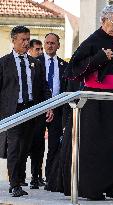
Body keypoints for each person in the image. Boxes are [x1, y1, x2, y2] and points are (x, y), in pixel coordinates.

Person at [59, 5, 113, 200]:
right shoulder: (93, 41)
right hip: (96, 101)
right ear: (103, 21)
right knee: (96, 146)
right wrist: (99, 58)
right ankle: (93, 188)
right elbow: (73, 70)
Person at [0, 26, 53, 197]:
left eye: (27, 39)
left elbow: (44, 88)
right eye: (22, 39)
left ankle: (20, 179)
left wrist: (48, 106)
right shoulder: (3, 63)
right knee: (14, 147)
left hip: (32, 110)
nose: (25, 42)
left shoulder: (36, 63)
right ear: (13, 40)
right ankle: (14, 185)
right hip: (13, 111)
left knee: (25, 147)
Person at [35, 33, 67, 190]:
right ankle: (35, 177)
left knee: (54, 145)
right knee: (36, 144)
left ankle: (50, 178)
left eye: (53, 43)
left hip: (58, 110)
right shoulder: (35, 62)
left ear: (58, 45)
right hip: (38, 109)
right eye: (47, 42)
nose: (49, 45)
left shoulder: (64, 65)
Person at [26, 39, 45, 188]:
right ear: (30, 50)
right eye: (37, 49)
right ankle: (18, 177)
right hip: (23, 112)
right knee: (21, 146)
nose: (40, 52)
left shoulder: (39, 66)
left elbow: (44, 87)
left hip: (38, 112)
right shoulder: (23, 64)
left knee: (38, 147)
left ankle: (36, 177)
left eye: (41, 49)